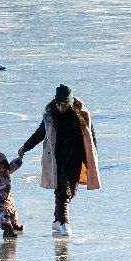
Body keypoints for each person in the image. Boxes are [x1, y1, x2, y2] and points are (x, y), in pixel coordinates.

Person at [14, 84, 100, 237]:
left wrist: (92, 160)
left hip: (75, 159)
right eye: (59, 103)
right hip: (57, 159)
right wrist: (25, 147)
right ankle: (64, 222)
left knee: (71, 191)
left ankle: (56, 220)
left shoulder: (82, 115)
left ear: (71, 102)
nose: (61, 107)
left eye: (65, 104)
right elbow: (40, 133)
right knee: (63, 192)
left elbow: (91, 139)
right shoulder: (50, 115)